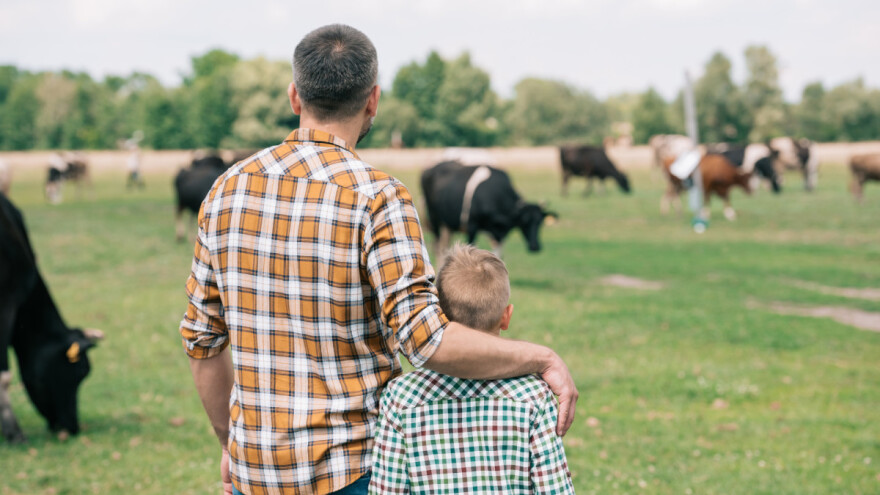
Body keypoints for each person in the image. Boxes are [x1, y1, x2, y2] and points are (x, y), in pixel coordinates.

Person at [179, 24, 578, 495]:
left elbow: (203, 342)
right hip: (360, 471)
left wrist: (231, 445)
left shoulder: (226, 189)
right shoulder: (380, 198)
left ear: (294, 96)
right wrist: (541, 358)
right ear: (373, 100)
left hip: (255, 474)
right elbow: (426, 340)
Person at [370, 244, 575, 494]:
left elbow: (387, 489)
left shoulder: (400, 397)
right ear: (506, 316)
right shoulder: (534, 396)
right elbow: (554, 488)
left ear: (438, 314)